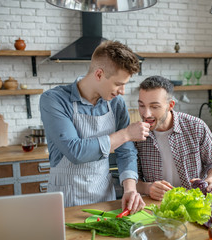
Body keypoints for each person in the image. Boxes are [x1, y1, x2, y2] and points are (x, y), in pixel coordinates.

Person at [40, 41, 150, 213]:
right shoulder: (54, 100)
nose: (122, 91)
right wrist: (127, 134)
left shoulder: (115, 104)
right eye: (118, 84)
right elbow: (75, 151)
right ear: (99, 74)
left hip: (105, 200)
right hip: (66, 201)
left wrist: (130, 188)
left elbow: (126, 151)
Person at [135, 76, 212, 201]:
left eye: (154, 107)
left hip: (194, 201)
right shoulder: (136, 136)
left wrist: (210, 181)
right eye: (142, 105)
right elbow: (132, 179)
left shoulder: (196, 126)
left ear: (170, 105)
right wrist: (147, 188)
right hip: (158, 206)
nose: (146, 114)